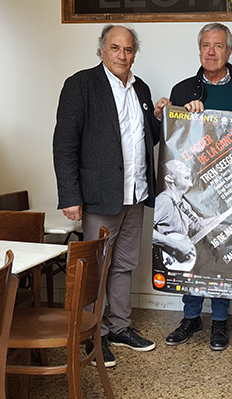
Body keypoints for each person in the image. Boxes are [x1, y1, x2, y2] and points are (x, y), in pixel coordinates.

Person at [53, 24, 169, 368]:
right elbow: (64, 145)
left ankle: (119, 327)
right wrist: (70, 195)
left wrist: (160, 117)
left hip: (136, 194)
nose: (122, 55)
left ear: (135, 53)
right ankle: (93, 334)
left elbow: (148, 139)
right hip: (99, 197)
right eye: (116, 48)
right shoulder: (80, 85)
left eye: (129, 49)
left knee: (124, 266)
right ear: (102, 50)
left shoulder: (142, 89)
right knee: (96, 269)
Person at [159, 22, 232, 351]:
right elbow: (173, 138)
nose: (211, 52)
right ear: (199, 50)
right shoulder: (183, 89)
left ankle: (218, 321)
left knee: (220, 252)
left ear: (229, 51)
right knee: (193, 248)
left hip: (228, 183)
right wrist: (181, 114)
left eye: (218, 46)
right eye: (205, 45)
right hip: (192, 184)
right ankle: (190, 316)